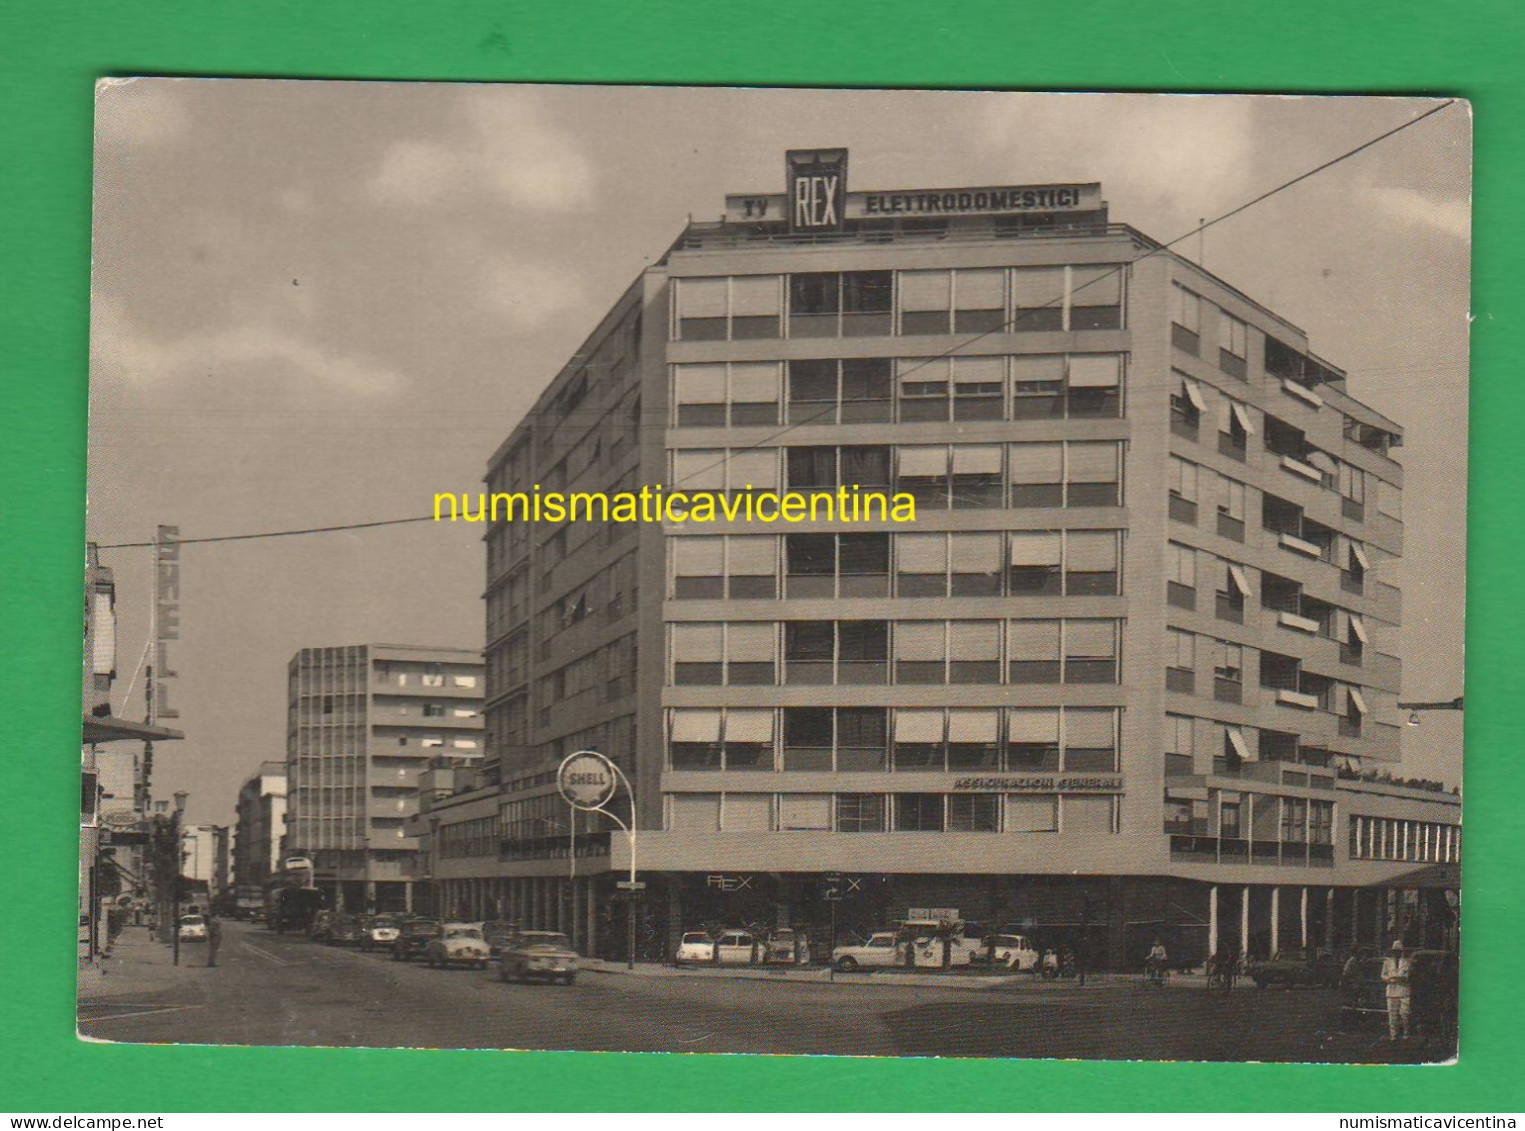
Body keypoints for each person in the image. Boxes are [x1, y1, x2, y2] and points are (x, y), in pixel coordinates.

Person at [1381, 939, 1412, 1040]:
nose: (1396, 953)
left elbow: (1408, 975)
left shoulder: (1407, 962)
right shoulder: (1387, 962)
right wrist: (1389, 979)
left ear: (1401, 952)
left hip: (1404, 990)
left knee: (1405, 1013)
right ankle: (1393, 1035)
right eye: (1395, 951)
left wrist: (1401, 978)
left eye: (1398, 951)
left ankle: (1406, 1033)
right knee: (1392, 1014)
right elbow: (1383, 975)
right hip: (1392, 990)